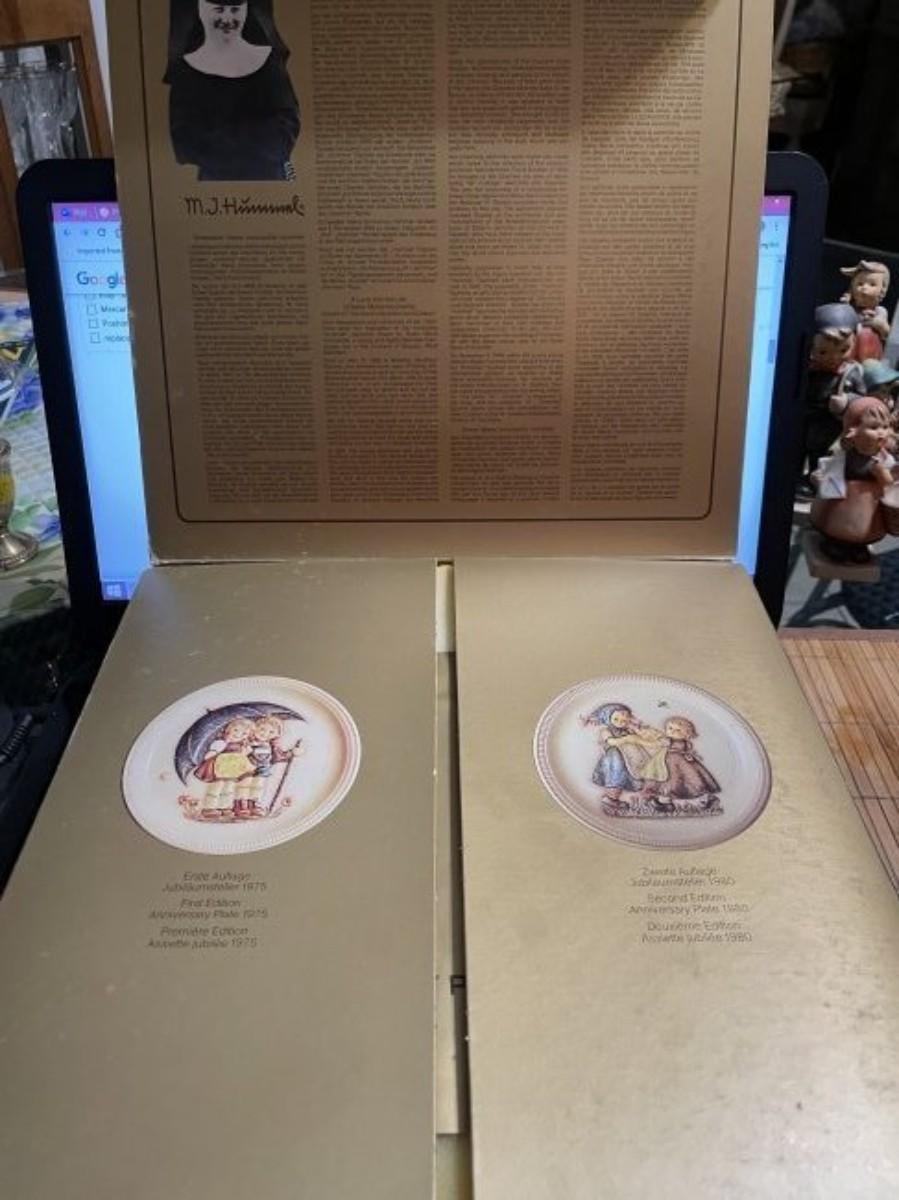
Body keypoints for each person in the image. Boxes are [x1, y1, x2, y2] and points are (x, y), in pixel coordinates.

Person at [165, 1, 300, 181]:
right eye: (219, 10)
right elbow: (184, 142)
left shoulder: (269, 62)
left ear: (245, 11)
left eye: (235, 10)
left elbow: (286, 130)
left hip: (271, 181)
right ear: (202, 11)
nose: (227, 19)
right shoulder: (187, 70)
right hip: (216, 186)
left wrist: (220, 137)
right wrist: (254, 137)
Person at [656, 717, 721, 812]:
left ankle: (704, 799)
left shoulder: (686, 743)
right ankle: (665, 802)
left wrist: (690, 755)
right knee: (668, 781)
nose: (673, 731)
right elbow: (660, 745)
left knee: (693, 778)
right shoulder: (667, 740)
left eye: (678, 730)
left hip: (683, 763)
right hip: (669, 763)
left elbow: (688, 750)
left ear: (687, 734)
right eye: (670, 728)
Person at [839, 260, 891, 362]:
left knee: (865, 333)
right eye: (859, 283)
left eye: (872, 284)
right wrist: (845, 307)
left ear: (882, 290)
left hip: (870, 356)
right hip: (847, 355)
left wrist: (876, 323)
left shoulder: (879, 311)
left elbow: (886, 331)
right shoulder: (850, 309)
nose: (864, 288)